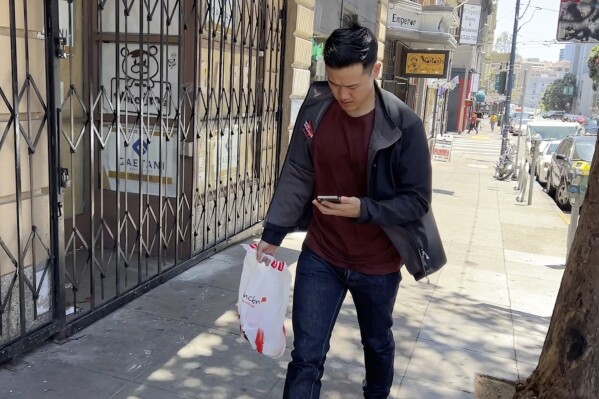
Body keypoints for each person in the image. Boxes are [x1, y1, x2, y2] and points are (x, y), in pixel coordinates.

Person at [255, 23, 445, 399]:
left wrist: (364, 209)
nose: (342, 94)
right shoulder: (317, 109)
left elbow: (418, 200)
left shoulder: (404, 125)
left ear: (374, 72)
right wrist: (273, 234)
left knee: (376, 343)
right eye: (334, 83)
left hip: (376, 264)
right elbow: (297, 171)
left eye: (351, 86)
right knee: (306, 355)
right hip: (321, 254)